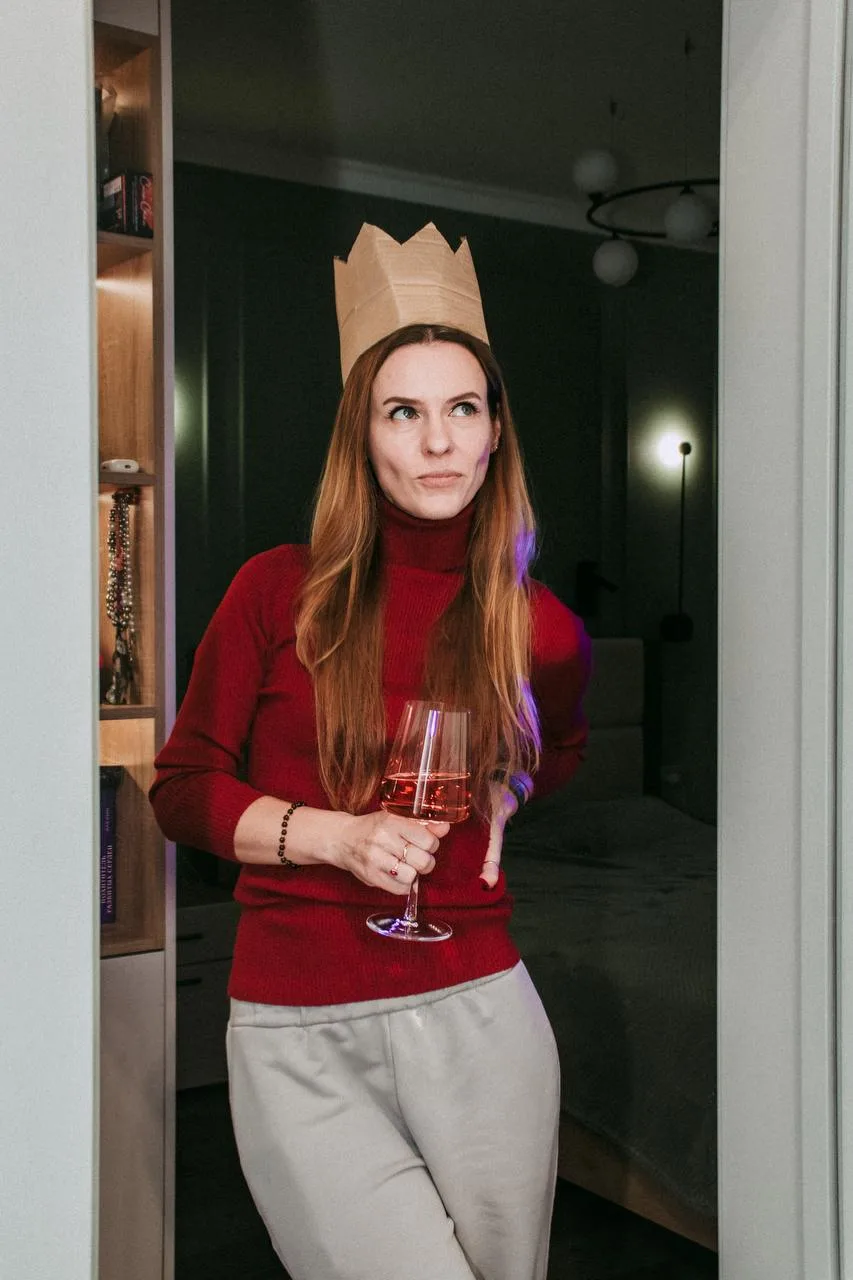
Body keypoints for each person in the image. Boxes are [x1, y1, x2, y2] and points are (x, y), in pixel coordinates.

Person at [149, 221, 591, 1280]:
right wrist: (337, 838)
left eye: (461, 409)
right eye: (404, 411)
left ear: (494, 432)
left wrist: (510, 782)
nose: (437, 441)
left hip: (479, 1011)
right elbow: (182, 788)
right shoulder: (276, 591)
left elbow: (561, 751)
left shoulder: (541, 628)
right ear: (364, 434)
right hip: (295, 1030)